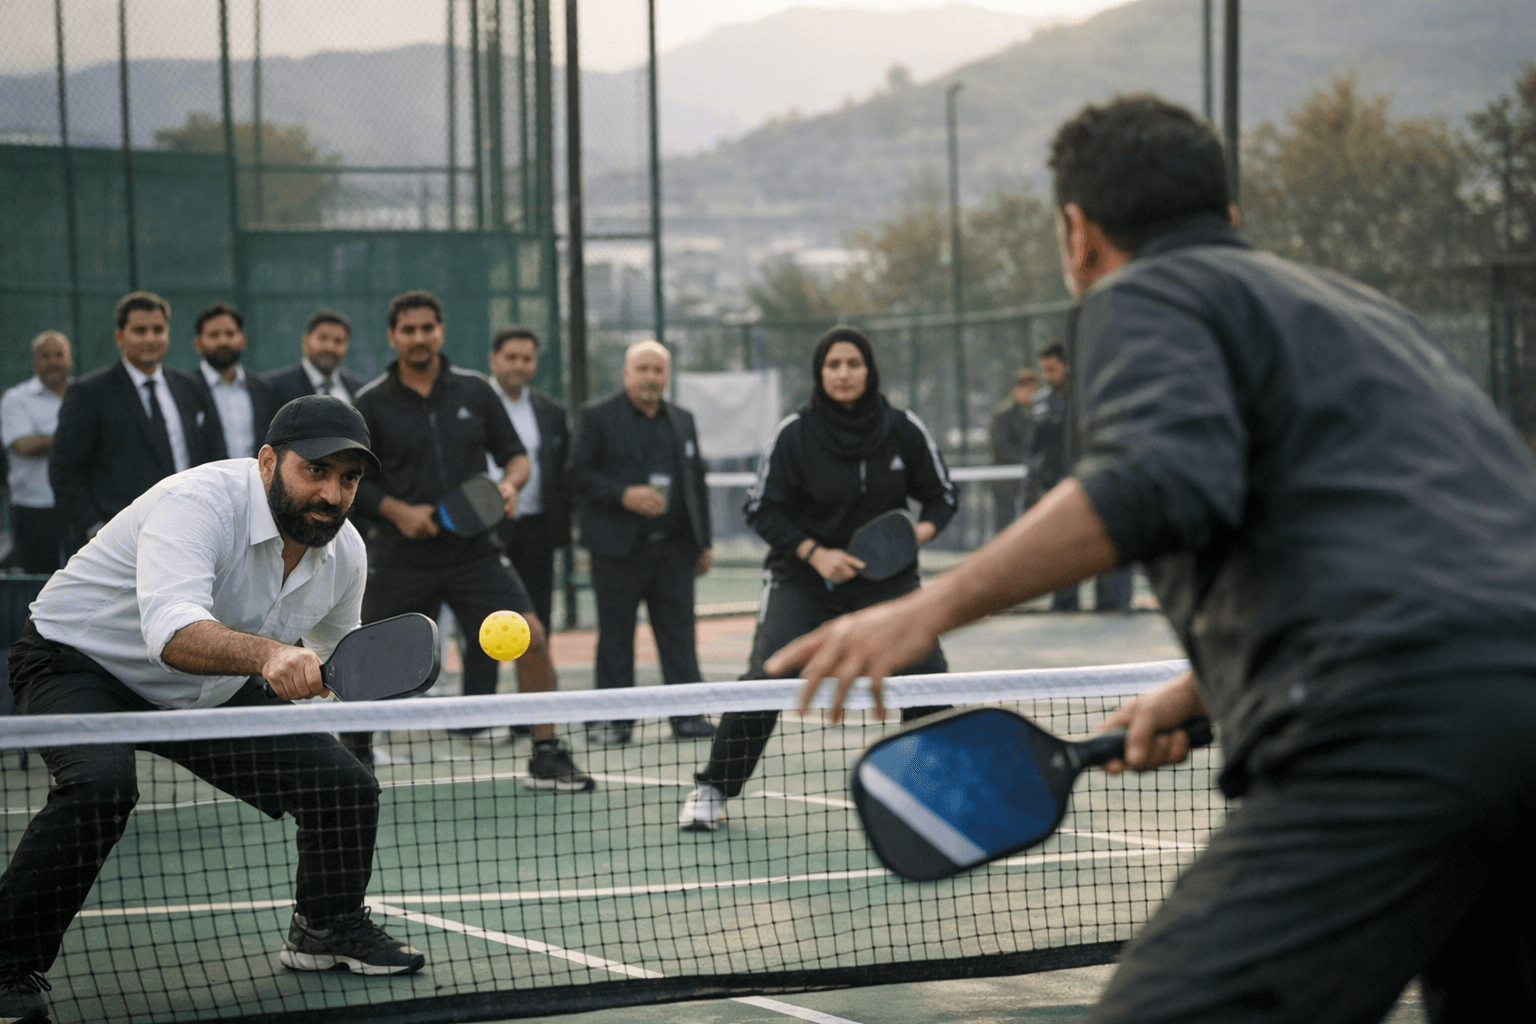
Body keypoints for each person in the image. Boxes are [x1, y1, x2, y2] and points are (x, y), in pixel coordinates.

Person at [776, 95, 1536, 1024]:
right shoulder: (1367, 316)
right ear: (1231, 218)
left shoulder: (1142, 293)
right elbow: (1428, 551)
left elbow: (1160, 479)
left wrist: (925, 610)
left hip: (1393, 730)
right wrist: (1205, 691)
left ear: (1078, 233)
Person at [0, 396, 427, 1020]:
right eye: (316, 470)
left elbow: (340, 662)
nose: (332, 494)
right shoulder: (195, 504)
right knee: (99, 786)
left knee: (344, 785)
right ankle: (7, 963)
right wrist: (268, 657)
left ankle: (325, 928)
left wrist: (356, 697)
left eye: (349, 478)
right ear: (267, 462)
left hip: (207, 686)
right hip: (79, 660)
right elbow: (171, 632)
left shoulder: (345, 553)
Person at [679, 326, 958, 831]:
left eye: (854, 363)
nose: (844, 373)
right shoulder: (795, 434)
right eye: (833, 365)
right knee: (768, 677)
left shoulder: (901, 428)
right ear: (819, 373)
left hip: (886, 584)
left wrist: (916, 534)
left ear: (869, 370)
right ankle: (713, 789)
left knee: (928, 679)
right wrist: (815, 553)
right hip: (805, 581)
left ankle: (927, 791)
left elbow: (943, 495)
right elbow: (762, 509)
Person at [350, 291, 592, 790]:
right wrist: (398, 512)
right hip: (401, 555)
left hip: (474, 553)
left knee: (533, 636)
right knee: (364, 658)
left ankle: (545, 751)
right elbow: (355, 480)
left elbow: (516, 456)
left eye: (427, 328)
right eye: (409, 329)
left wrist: (508, 485)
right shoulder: (370, 403)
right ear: (393, 336)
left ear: (440, 332)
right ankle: (356, 757)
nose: (419, 337)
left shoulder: (475, 392)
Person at [567, 340, 714, 745]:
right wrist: (623, 495)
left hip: (674, 550)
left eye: (658, 370)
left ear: (666, 375)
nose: (651, 377)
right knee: (616, 637)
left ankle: (688, 718)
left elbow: (694, 483)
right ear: (627, 373)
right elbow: (576, 475)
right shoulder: (596, 417)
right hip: (618, 552)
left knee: (679, 635)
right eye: (643, 369)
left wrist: (704, 542)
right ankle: (614, 721)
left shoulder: (682, 419)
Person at [50, 291, 227, 550]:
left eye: (158, 330)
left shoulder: (190, 388)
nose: (150, 338)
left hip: (188, 532)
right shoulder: (89, 393)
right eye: (140, 330)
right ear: (119, 336)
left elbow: (214, 455)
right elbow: (64, 469)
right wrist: (94, 527)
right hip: (119, 539)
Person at [1030, 343, 1130, 612]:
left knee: (1105, 537)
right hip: (1056, 483)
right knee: (1060, 545)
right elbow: (1035, 447)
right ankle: (1065, 601)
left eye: (1053, 368)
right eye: (1044, 370)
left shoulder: (1089, 394)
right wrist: (1033, 481)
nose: (1049, 374)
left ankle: (1112, 601)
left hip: (1092, 479)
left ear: (1067, 365)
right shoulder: (1041, 401)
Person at [486, 326, 572, 632]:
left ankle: (539, 683)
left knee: (538, 622)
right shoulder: (472, 404)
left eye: (526, 358)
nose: (519, 365)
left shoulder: (551, 412)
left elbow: (563, 472)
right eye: (511, 357)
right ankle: (483, 682)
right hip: (485, 530)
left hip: (536, 531)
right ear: (493, 359)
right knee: (485, 626)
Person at [1, 332, 73, 573]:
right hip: (33, 507)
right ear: (34, 361)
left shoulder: (83, 395)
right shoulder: (16, 399)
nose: (53, 361)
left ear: (69, 359)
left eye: (59, 354)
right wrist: (72, 437)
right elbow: (23, 446)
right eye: (45, 355)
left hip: (77, 506)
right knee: (38, 582)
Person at [191, 301, 280, 459]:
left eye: (230, 333)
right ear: (198, 343)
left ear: (242, 340)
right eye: (214, 335)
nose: (223, 341)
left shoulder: (263, 389)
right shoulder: (186, 390)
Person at [265, 309, 367, 407]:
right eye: (323, 338)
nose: (330, 347)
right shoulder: (273, 388)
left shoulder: (359, 390)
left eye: (338, 341)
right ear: (305, 340)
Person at [988, 367, 1038, 535]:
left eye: (1033, 389)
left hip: (1027, 480)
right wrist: (1026, 460)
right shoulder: (1003, 414)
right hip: (1005, 480)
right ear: (1016, 389)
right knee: (1005, 526)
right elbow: (1001, 446)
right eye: (1026, 389)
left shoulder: (1036, 412)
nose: (1030, 394)